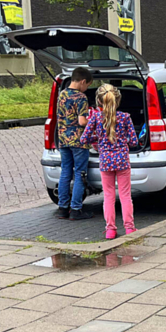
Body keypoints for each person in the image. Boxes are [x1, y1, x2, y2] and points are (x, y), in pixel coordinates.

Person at [80, 84, 138, 240]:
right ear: (117, 100)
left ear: (99, 101)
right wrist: (122, 140)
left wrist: (98, 138)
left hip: (105, 161)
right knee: (125, 195)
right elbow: (134, 141)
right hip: (122, 161)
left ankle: (111, 229)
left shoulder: (96, 117)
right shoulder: (125, 117)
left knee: (109, 196)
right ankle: (129, 228)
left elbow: (84, 138)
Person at [55, 67, 93, 221]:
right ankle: (76, 209)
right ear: (83, 81)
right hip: (78, 141)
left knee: (65, 172)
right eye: (88, 85)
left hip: (63, 139)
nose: (86, 88)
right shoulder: (81, 97)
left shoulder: (61, 94)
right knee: (79, 173)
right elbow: (82, 121)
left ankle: (62, 208)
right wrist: (95, 122)